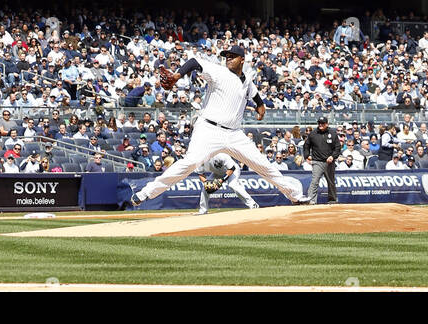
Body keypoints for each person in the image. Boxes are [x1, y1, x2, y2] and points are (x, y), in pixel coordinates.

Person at [130, 46, 306, 208]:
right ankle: (146, 193)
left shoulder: (247, 81)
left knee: (263, 165)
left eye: (232, 56)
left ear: (242, 59)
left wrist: (260, 105)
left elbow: (253, 94)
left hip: (235, 134)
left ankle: (295, 196)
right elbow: (194, 62)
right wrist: (177, 75)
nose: (228, 58)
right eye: (226, 56)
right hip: (209, 130)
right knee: (189, 163)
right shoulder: (219, 72)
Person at [303, 115, 342, 205]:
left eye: (322, 123)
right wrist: (306, 155)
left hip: (329, 162)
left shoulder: (332, 133)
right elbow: (306, 145)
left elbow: (337, 147)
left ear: (327, 124)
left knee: (331, 181)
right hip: (317, 161)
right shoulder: (313, 134)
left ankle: (332, 200)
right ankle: (311, 200)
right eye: (319, 123)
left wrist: (333, 156)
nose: (320, 125)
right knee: (315, 181)